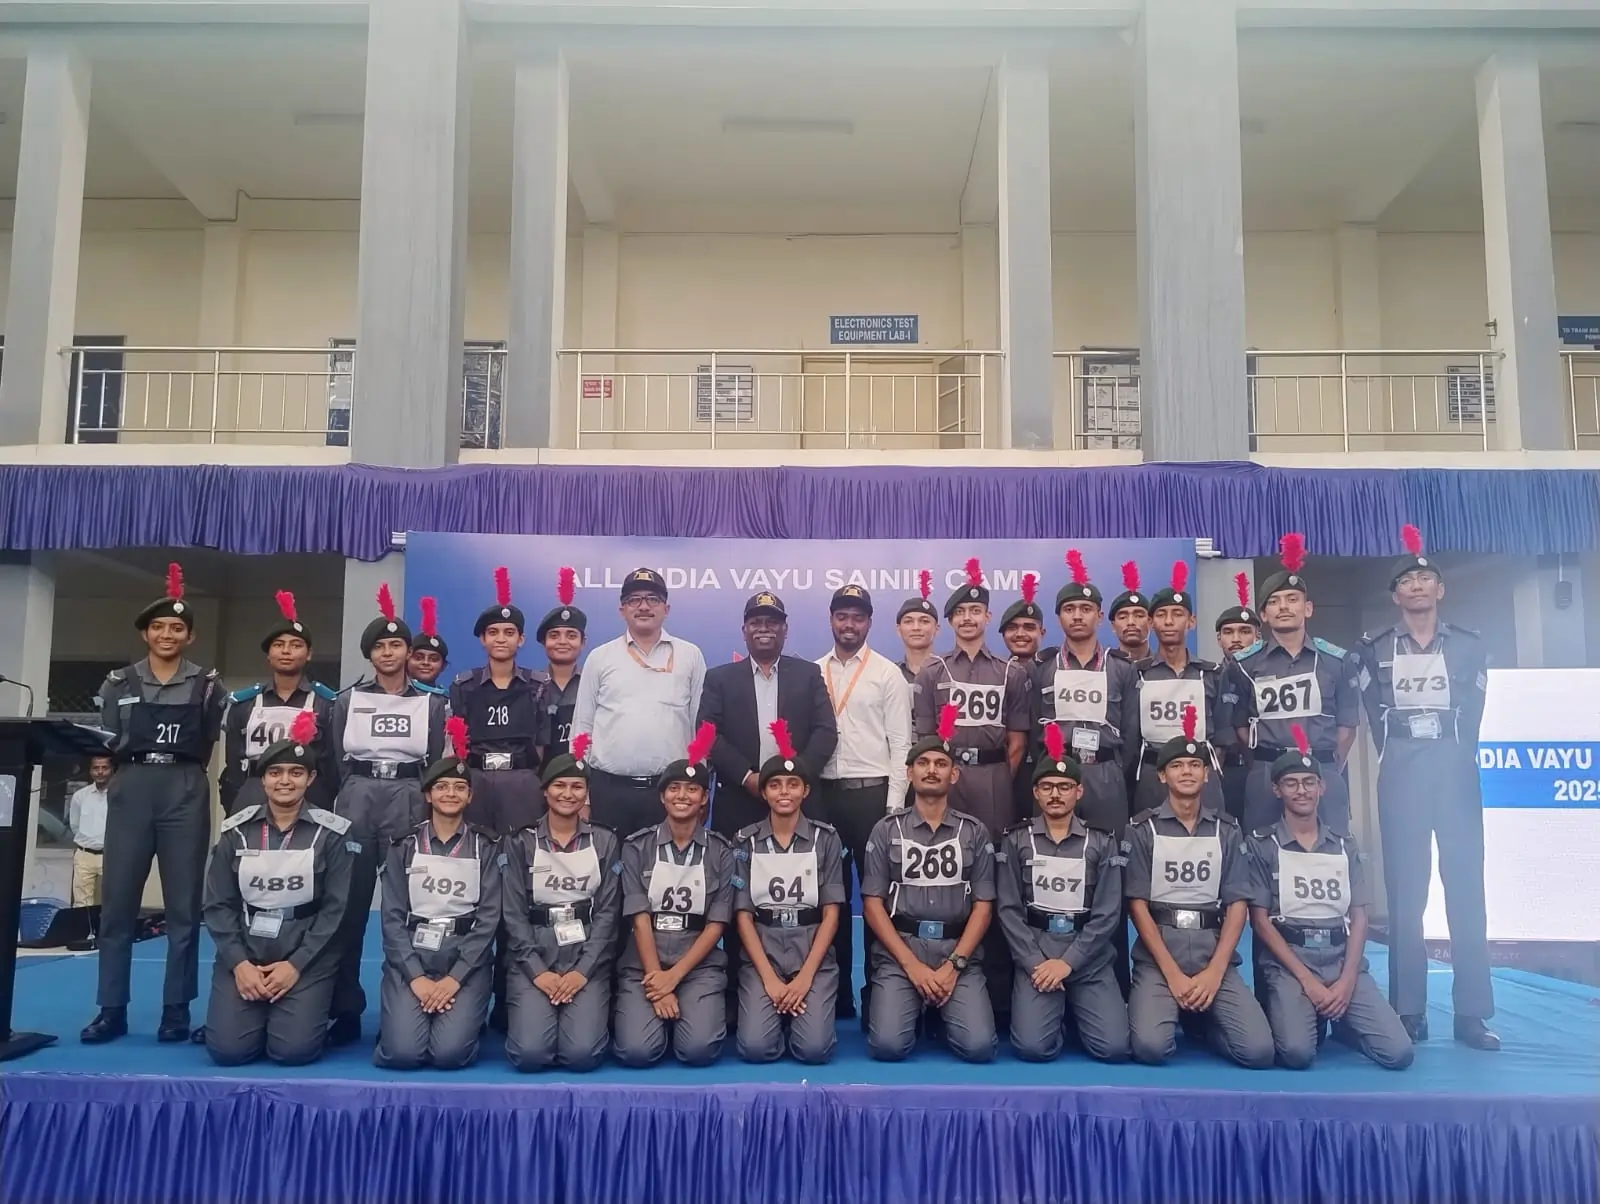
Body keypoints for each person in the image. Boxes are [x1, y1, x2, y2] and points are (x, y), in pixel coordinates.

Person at [1357, 524, 1497, 1050]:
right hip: (1402, 768)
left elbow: (1475, 713)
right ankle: (1408, 1009)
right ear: (1395, 595)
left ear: (1440, 589)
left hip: (1454, 768)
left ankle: (1472, 1014)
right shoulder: (1372, 649)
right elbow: (1374, 716)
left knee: (1466, 890)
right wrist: (1405, 749)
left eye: (1424, 579)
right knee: (1405, 892)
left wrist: (1450, 749)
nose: (1416, 586)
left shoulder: (1469, 645)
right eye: (1406, 581)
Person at [82, 563, 225, 1046]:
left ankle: (176, 1009)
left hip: (184, 786)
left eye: (177, 628)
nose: (167, 634)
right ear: (145, 633)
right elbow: (106, 740)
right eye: (159, 627)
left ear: (190, 636)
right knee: (118, 904)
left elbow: (208, 738)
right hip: (132, 786)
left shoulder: (208, 685)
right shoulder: (118, 683)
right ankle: (111, 1009)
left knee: (184, 906)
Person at [1246, 725, 1414, 1070]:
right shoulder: (1262, 845)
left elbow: (1360, 916)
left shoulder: (1344, 845)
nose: (1302, 791)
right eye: (1292, 783)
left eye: (1309, 782)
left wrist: (1348, 978)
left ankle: (1348, 1026)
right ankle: (1315, 1013)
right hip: (1291, 963)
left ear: (1322, 788)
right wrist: (1307, 981)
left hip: (1339, 958)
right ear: (1277, 789)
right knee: (1297, 1053)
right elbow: (1260, 921)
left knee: (1398, 1053)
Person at [326, 584, 449, 1045]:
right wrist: (356, 789)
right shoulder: (347, 700)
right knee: (349, 907)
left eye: (396, 644)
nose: (388, 652)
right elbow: (336, 759)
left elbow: (434, 758)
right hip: (359, 796)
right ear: (370, 654)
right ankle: (345, 1008)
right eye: (380, 646)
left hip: (408, 796)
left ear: (408, 652)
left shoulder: (431, 702)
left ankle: (404, 1008)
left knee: (409, 909)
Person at [201, 712, 354, 1066]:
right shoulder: (235, 832)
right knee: (228, 1052)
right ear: (263, 780)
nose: (285, 781)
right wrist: (239, 964)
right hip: (247, 948)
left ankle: (312, 1007)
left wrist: (296, 965)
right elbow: (218, 904)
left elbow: (336, 909)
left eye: (296, 773)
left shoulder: (332, 834)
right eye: (275, 773)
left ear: (310, 779)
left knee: (293, 1052)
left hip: (306, 953)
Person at [1123, 707, 1273, 1068]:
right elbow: (1137, 906)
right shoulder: (1141, 830)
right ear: (1162, 775)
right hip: (1160, 956)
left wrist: (1215, 971)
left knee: (1259, 1052)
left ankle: (1203, 1027)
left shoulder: (1227, 830)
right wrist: (1173, 974)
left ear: (1207, 774)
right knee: (1151, 1048)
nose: (1187, 771)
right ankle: (1179, 1009)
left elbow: (1237, 904)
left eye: (1195, 765)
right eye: (1177, 765)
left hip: (1211, 952)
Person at [861, 705, 997, 1063]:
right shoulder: (885, 830)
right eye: (922, 763)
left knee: (979, 1048)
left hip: (956, 952)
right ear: (909, 773)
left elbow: (984, 907)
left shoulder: (974, 832)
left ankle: (940, 1012)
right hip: (902, 952)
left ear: (954, 774)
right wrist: (911, 966)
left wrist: (954, 966)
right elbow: (872, 905)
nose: (931, 770)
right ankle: (917, 1005)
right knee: (888, 1047)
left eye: (940, 764)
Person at [374, 717, 503, 1070]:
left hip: (464, 960)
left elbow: (489, 919)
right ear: (428, 794)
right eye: (442, 787)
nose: (450, 794)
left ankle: (465, 1022)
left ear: (470, 796)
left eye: (459, 787)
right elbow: (392, 917)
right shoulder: (403, 846)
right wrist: (416, 978)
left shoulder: (487, 846)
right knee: (403, 1054)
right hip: (412, 957)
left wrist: (454, 978)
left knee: (449, 1055)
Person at [997, 723, 1130, 1062]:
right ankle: (1056, 1013)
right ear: (1036, 793)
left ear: (1079, 792)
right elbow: (1008, 910)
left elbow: (1108, 914)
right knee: (1032, 1049)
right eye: (1047, 787)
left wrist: (1069, 963)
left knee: (1114, 1049)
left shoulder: (1102, 841)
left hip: (1088, 956)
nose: (1055, 794)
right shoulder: (1016, 840)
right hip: (1037, 956)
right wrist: (1036, 962)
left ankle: (1074, 1009)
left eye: (1064, 786)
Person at [814, 585, 912, 1021]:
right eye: (842, 616)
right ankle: (836, 997)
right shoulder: (813, 672)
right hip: (823, 797)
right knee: (830, 902)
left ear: (869, 622)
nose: (849, 625)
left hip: (873, 797)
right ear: (831, 620)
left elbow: (901, 745)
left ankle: (879, 998)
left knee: (876, 900)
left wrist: (893, 810)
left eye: (857, 617)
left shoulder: (887, 674)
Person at [613, 723, 735, 1067]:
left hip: (697, 966)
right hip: (645, 965)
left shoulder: (722, 851)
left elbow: (716, 924)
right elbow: (639, 919)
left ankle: (693, 1013)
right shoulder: (637, 847)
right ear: (662, 796)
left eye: (692, 789)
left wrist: (675, 976)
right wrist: (658, 981)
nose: (683, 796)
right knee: (637, 1053)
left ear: (704, 798)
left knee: (698, 1051)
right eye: (674, 788)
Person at [502, 734, 621, 1072]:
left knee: (582, 1055)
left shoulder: (605, 841)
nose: (568, 794)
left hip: (586, 953)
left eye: (577, 787)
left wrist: (583, 971)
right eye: (559, 785)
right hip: (535, 952)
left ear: (586, 793)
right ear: (545, 791)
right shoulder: (521, 841)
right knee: (530, 1055)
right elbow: (512, 914)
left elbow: (608, 912)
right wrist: (538, 972)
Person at [1229, 533, 1361, 833]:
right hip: (1266, 772)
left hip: (1323, 769)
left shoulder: (1336, 661)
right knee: (1262, 851)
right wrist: (1264, 763)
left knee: (1329, 849)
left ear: (1308, 608)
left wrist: (1326, 765)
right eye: (1274, 602)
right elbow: (1240, 727)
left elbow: (1347, 726)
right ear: (1263, 615)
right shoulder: (1244, 665)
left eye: (1292, 599)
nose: (1284, 607)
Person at [733, 721, 846, 1063]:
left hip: (810, 951)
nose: (784, 792)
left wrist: (805, 977)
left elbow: (832, 913)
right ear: (764, 792)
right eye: (775, 785)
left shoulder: (827, 839)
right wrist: (769, 979)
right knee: (755, 1048)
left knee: (814, 1050)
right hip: (764, 953)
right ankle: (774, 1011)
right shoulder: (745, 841)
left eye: (793, 784)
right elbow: (743, 915)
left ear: (805, 791)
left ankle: (796, 1012)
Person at [572, 567, 707, 837]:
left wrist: (699, 787)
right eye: (634, 600)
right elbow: (582, 727)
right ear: (622, 610)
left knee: (665, 863)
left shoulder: (690, 656)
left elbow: (701, 729)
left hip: (670, 793)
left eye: (652, 599)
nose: (644, 606)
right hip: (608, 791)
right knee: (609, 863)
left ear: (666, 609)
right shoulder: (600, 657)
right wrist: (582, 796)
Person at [698, 591, 837, 840]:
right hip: (739, 798)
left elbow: (825, 731)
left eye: (772, 622)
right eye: (756, 623)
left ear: (785, 630)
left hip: (799, 800)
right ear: (744, 631)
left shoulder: (808, 674)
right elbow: (707, 733)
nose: (764, 628)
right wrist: (746, 777)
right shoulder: (719, 679)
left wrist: (795, 777)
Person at [1029, 549, 1141, 836]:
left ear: (1100, 617)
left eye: (1085, 609)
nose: (1077, 616)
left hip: (1105, 774)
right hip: (1054, 771)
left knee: (1109, 851)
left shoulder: (1121, 667)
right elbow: (1033, 728)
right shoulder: (1042, 666)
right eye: (1069, 609)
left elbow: (1131, 733)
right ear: (1058, 618)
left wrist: (1114, 770)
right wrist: (1047, 764)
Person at [220, 590, 338, 817]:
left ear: (309, 654)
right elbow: (233, 762)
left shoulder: (326, 703)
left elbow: (332, 766)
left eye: (296, 645)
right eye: (278, 644)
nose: (286, 651)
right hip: (253, 792)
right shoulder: (245, 703)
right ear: (268, 654)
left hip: (310, 796)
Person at [450, 567, 548, 836]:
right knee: (477, 847)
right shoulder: (463, 686)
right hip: (476, 780)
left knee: (520, 848)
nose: (501, 639)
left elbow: (541, 743)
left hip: (522, 781)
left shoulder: (538, 686)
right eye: (493, 632)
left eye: (509, 632)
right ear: (483, 639)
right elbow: (455, 744)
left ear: (521, 639)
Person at [1133, 561, 1228, 815]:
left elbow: (1223, 732)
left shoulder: (1212, 674)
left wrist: (1203, 769)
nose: (1169, 621)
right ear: (1151, 623)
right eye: (1161, 615)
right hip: (1152, 776)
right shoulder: (1137, 673)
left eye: (1177, 614)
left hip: (1200, 776)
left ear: (1191, 621)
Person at [999, 574, 1051, 823]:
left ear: (1042, 632)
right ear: (1003, 635)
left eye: (1029, 627)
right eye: (1012, 628)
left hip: (1049, 772)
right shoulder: (995, 675)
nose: (1020, 634)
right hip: (1006, 772)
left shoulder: (1057, 672)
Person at [1213, 573, 1261, 823]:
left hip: (1263, 769)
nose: (1236, 639)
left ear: (1257, 637)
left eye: (1244, 631)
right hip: (1224, 771)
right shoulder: (1209, 677)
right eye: (1228, 632)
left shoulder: (1269, 676)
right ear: (1218, 639)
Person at [535, 566, 587, 757]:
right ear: (544, 642)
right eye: (554, 635)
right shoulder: (531, 686)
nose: (562, 642)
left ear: (583, 642)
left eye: (571, 635)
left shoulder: (593, 684)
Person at [67, 755, 113, 909]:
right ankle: (83, 926)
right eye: (96, 768)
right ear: (90, 771)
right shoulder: (80, 796)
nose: (100, 772)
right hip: (84, 855)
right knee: (81, 903)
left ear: (112, 770)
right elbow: (74, 825)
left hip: (110, 855)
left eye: (104, 768)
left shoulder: (118, 795)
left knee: (112, 899)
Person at [896, 570, 939, 685]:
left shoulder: (947, 673)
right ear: (899, 630)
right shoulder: (890, 674)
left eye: (924, 621)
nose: (916, 627)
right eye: (908, 621)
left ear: (936, 629)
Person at [1108, 561, 1152, 660]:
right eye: (1123, 617)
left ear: (1150, 622)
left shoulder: (1164, 666)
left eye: (1139, 616)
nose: (1131, 622)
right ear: (1113, 626)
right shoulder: (1104, 666)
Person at [407, 596, 449, 686]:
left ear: (443, 666)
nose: (425, 663)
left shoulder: (450, 695)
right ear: (407, 659)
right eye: (418, 658)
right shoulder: (391, 693)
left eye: (433, 659)